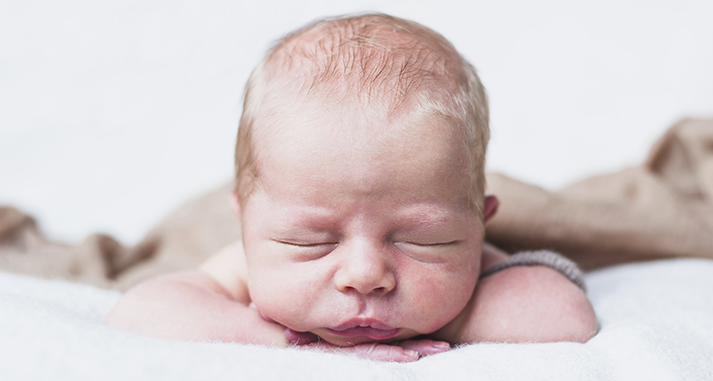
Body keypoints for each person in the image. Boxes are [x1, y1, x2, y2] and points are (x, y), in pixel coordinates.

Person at [105, 13, 598, 362]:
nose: (365, 275)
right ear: (246, 224)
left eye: (421, 240)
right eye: (311, 242)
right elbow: (139, 313)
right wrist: (288, 340)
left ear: (479, 221)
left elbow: (564, 317)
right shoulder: (243, 254)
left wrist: (439, 316)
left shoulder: (469, 252)